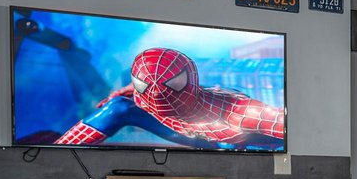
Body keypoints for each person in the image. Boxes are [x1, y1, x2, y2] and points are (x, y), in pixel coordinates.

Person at [56, 47, 285, 148]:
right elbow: (152, 80)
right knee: (118, 107)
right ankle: (58, 151)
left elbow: (287, 128)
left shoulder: (239, 110)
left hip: (225, 139)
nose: (155, 93)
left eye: (169, 86)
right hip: (193, 132)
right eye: (145, 86)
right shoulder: (144, 92)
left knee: (119, 107)